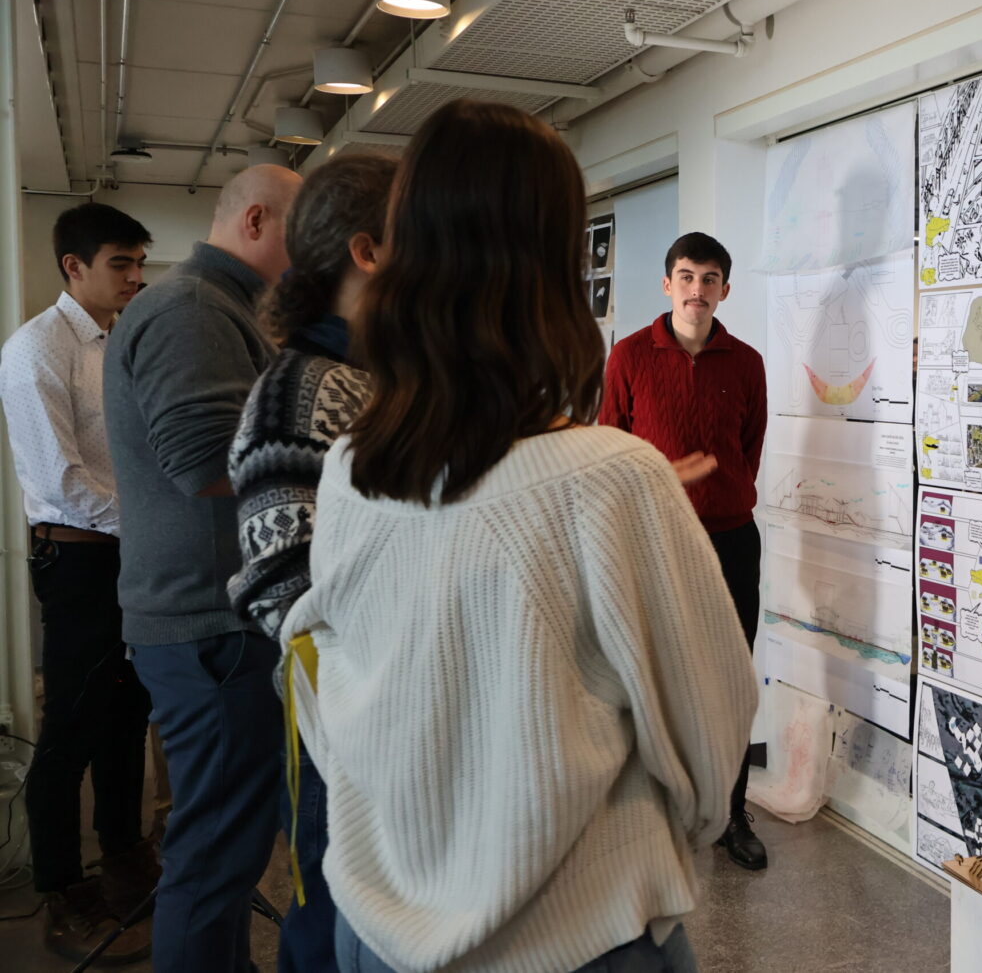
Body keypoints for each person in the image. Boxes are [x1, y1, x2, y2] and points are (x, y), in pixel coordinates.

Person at [278, 99, 756, 973]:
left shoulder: (350, 467)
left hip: (378, 928)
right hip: (577, 936)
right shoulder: (612, 478)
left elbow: (329, 678)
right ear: (554, 266)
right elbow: (710, 729)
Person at [103, 163, 303, 971]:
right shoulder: (192, 308)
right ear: (255, 221)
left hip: (217, 618)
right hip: (209, 623)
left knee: (230, 845)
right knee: (215, 855)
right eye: (302, 233)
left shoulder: (222, 306)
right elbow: (203, 460)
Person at [227, 154, 394, 971]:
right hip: (343, 725)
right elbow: (279, 585)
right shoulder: (300, 389)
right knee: (330, 924)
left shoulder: (376, 375)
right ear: (369, 252)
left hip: (383, 716)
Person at [0, 203, 157, 962]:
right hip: (80, 557)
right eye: (121, 263)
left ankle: (125, 857)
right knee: (72, 723)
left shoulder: (119, 341)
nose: (135, 277)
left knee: (130, 711)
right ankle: (63, 889)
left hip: (129, 553)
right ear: (74, 266)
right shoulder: (37, 347)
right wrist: (153, 526)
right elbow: (61, 482)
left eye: (139, 263)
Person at [599, 230, 770, 872]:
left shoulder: (747, 362)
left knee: (731, 680)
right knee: (654, 678)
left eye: (710, 279)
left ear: (725, 290)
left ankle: (730, 814)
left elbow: (749, 447)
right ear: (668, 284)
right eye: (687, 277)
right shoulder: (629, 356)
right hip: (654, 538)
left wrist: (722, 495)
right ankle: (654, 816)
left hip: (732, 539)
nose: (698, 290)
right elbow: (608, 449)